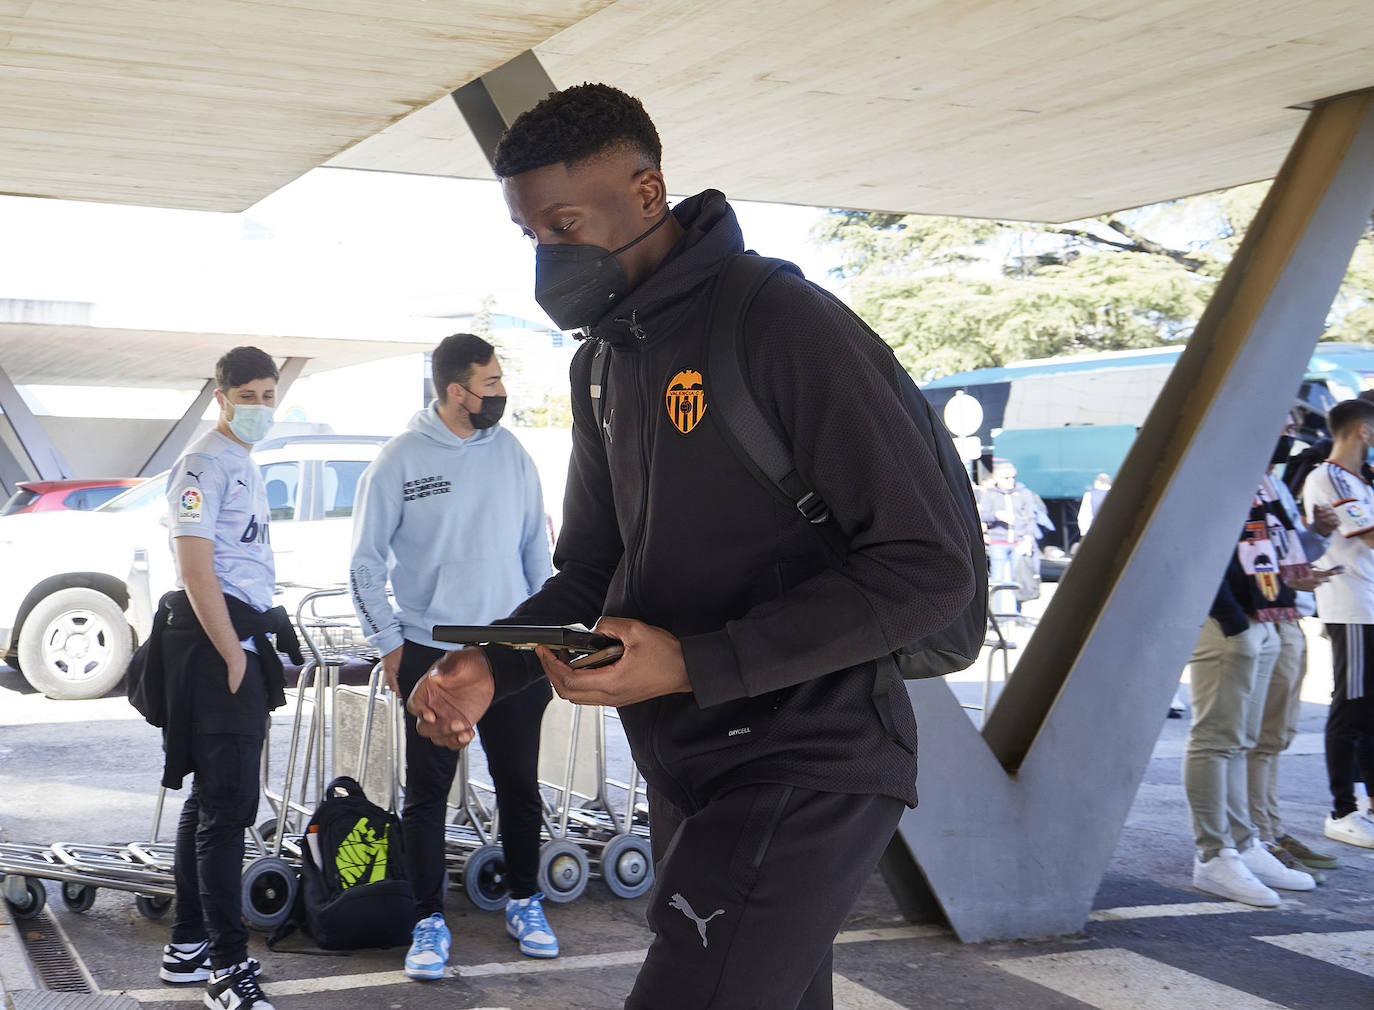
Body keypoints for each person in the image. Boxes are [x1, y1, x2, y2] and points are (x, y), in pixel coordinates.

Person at [405, 83, 976, 1010]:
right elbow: (592, 566)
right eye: (533, 236)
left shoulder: (783, 323)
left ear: (647, 192)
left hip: (807, 760)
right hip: (689, 764)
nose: (551, 257)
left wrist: (697, 661)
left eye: (564, 224)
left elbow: (929, 568)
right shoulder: (604, 365)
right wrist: (492, 663)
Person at [349, 334, 558, 975]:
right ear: (454, 391)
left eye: (499, 381)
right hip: (432, 655)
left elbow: (537, 556)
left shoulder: (515, 456)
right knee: (428, 796)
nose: (500, 393)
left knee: (520, 786)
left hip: (513, 656)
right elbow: (364, 564)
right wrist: (389, 644)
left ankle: (525, 899)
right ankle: (427, 921)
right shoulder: (399, 460)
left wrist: (544, 638)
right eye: (489, 384)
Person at [159, 346, 288, 1010]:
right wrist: (234, 656)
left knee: (211, 803)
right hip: (217, 651)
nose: (261, 407)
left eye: (269, 396)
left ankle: (187, 945)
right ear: (222, 397)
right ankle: (227, 971)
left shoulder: (244, 463)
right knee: (227, 811)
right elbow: (196, 567)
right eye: (250, 396)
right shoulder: (203, 463)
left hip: (239, 644)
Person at [1184, 414, 1326, 907]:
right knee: (1216, 738)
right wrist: (1233, 619)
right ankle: (1214, 855)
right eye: (1279, 419)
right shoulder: (1218, 469)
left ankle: (1242, 843)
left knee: (1238, 739)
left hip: (1261, 614)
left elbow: (1274, 546)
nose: (1288, 430)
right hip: (1233, 621)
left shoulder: (1260, 475)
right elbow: (1201, 545)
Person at [1247, 413, 1342, 880]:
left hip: (1287, 615)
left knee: (1274, 737)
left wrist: (1318, 536)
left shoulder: (1275, 485)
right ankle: (1252, 837)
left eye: (1291, 427)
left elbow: (1289, 555)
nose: (1289, 435)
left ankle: (1269, 828)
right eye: (1281, 425)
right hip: (1255, 620)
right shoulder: (1238, 481)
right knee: (1247, 738)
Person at [1302, 397, 1374, 850]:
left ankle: (1365, 806)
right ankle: (1342, 809)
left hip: (1367, 604)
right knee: (1350, 707)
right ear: (1363, 430)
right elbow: (1367, 535)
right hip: (1351, 606)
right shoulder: (1327, 477)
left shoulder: (1357, 481)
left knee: (1368, 710)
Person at [976, 459, 1043, 614]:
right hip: (998, 541)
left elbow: (1030, 517)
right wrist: (997, 515)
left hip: (1019, 541)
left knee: (1018, 578)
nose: (1011, 481)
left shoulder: (1023, 493)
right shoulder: (990, 494)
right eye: (1006, 478)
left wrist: (1028, 537)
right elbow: (982, 515)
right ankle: (998, 614)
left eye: (1013, 477)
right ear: (998, 479)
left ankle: (1016, 613)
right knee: (997, 579)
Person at [1077, 472, 1112, 537]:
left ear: (1097, 482)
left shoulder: (1089, 495)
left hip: (1096, 533)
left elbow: (1084, 517)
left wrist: (1085, 534)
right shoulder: (1117, 495)